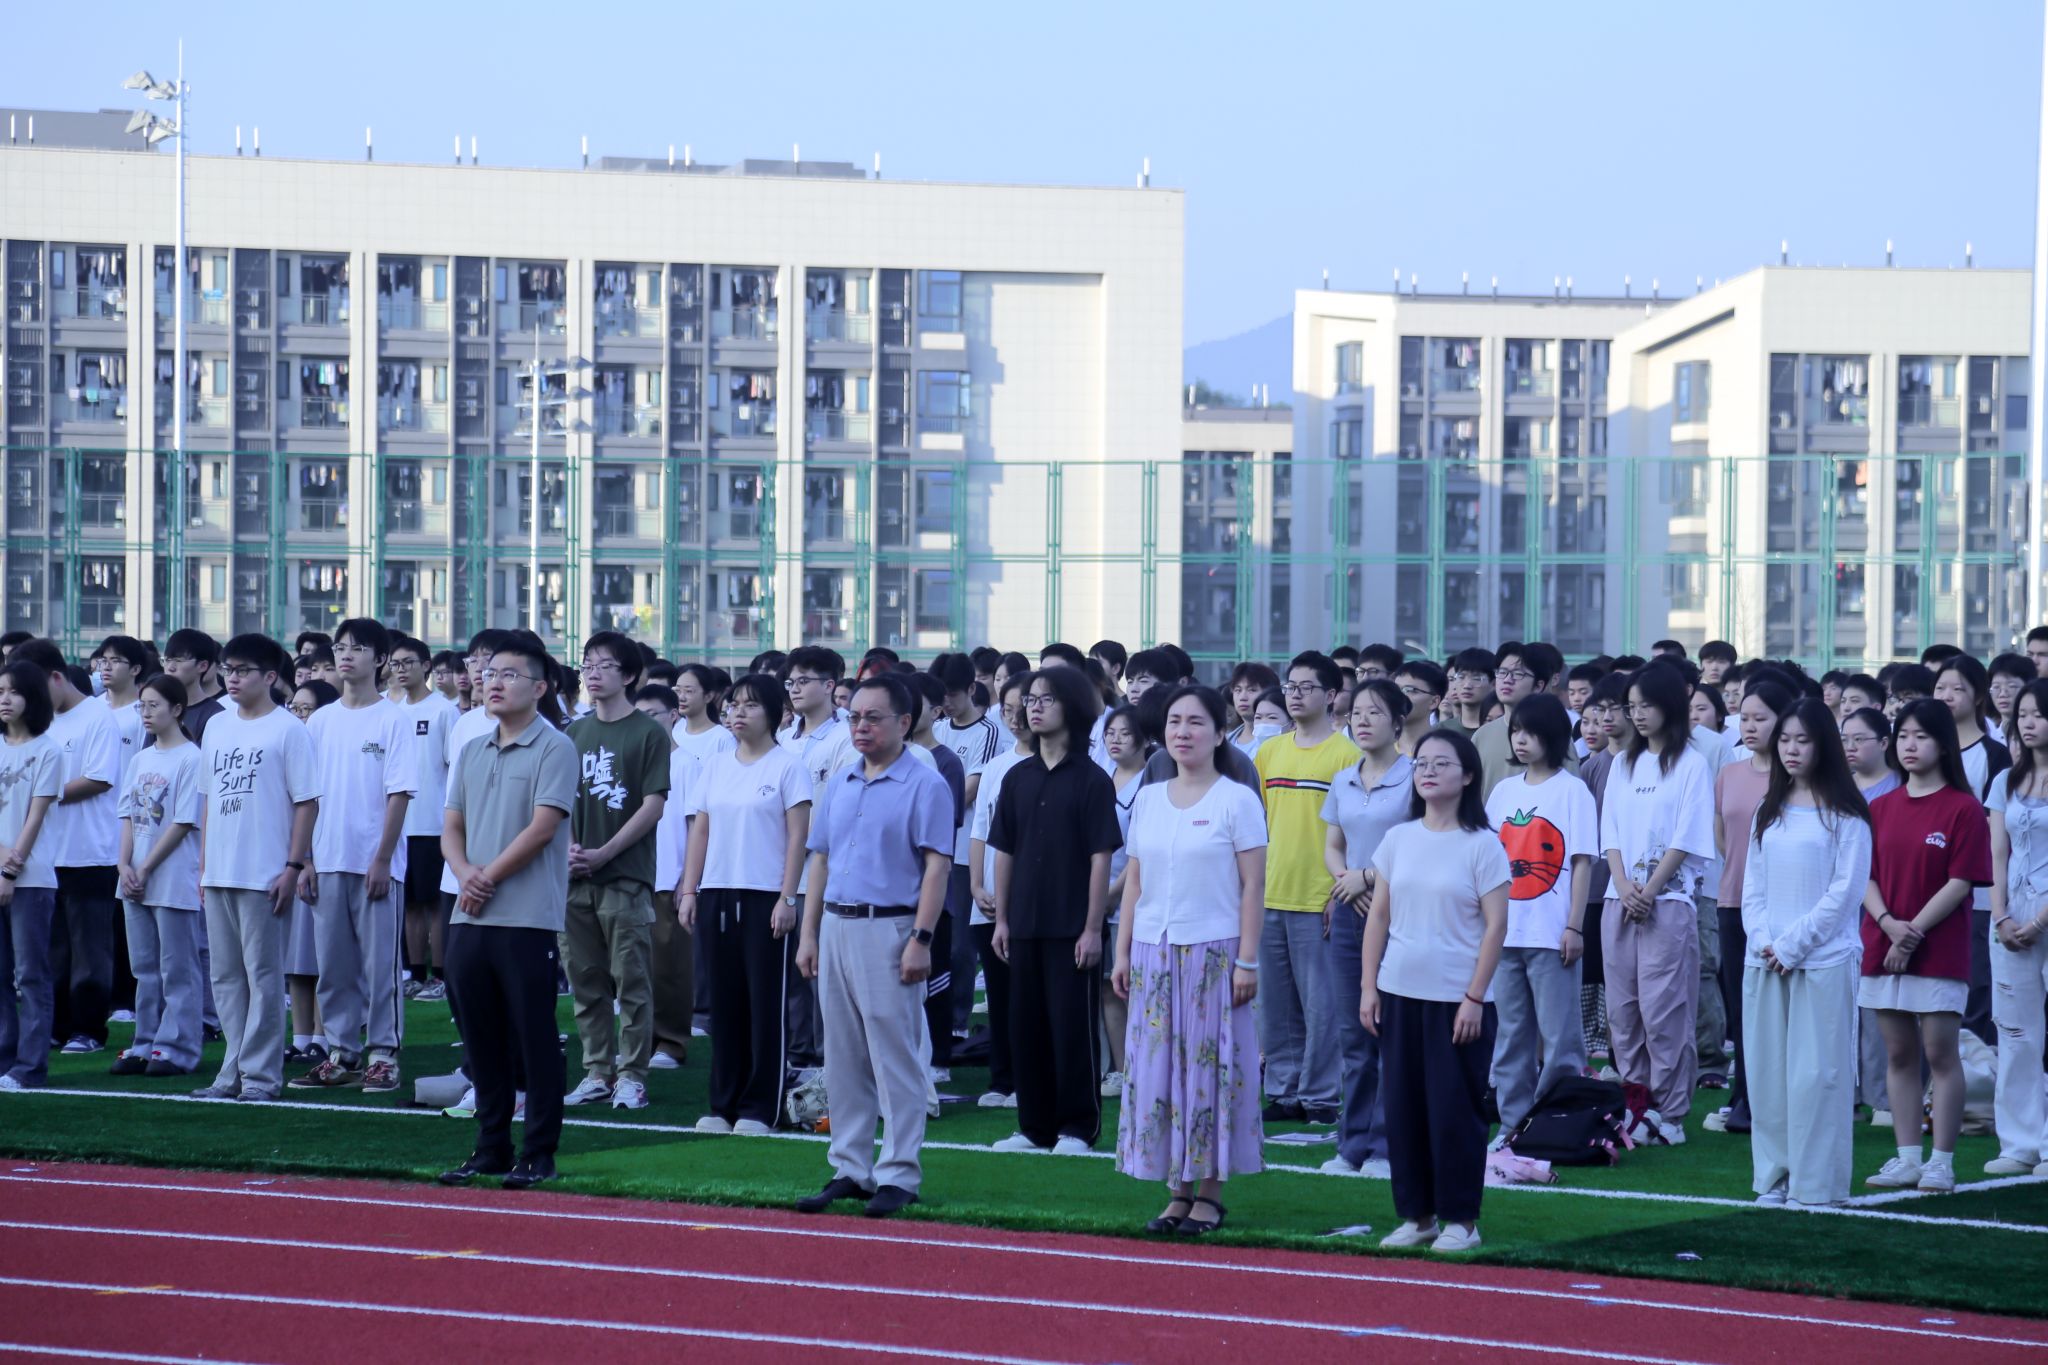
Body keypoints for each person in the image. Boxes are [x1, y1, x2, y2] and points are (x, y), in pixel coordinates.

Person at [792, 673, 954, 1218]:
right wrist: (809, 933)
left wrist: (921, 939)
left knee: (895, 1057)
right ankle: (851, 1168)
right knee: (842, 1057)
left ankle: (899, 1173)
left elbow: (937, 867)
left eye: (873, 718)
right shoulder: (841, 780)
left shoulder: (926, 784)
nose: (860, 726)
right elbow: (820, 858)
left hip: (891, 928)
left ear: (904, 722)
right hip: (836, 926)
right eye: (854, 717)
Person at [1112, 685, 1267, 1235]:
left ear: (1220, 733)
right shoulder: (1150, 798)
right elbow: (1135, 880)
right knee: (1159, 1072)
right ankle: (1175, 1191)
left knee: (1209, 1071)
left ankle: (1209, 1194)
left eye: (1196, 722)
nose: (1183, 731)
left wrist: (1247, 961)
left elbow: (1253, 887)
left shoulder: (1237, 801)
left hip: (1215, 953)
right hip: (1153, 951)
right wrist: (1123, 950)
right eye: (1175, 721)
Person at [436, 634, 579, 1191]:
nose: (493, 682)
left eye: (510, 675)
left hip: (525, 916)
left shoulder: (554, 747)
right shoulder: (473, 748)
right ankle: (490, 1145)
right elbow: (451, 826)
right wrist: (464, 873)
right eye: (490, 672)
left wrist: (486, 876)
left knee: (533, 1037)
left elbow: (543, 828)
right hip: (470, 913)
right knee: (480, 1036)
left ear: (540, 688)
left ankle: (538, 1152)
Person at [1361, 728, 1511, 1254]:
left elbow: (1496, 926)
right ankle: (1417, 1216)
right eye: (1421, 762)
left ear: (1467, 775)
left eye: (1441, 763)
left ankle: (1461, 1221)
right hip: (1399, 991)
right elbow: (1379, 916)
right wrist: (1369, 987)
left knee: (1454, 1111)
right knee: (1404, 1110)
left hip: (1458, 999)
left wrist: (1474, 997)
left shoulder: (1483, 844)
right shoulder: (1399, 839)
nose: (1427, 771)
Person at [1740, 697, 1872, 1208]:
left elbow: (1845, 893)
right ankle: (1775, 1177)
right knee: (1769, 1077)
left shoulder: (1846, 814)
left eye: (1803, 740)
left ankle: (1817, 1185)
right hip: (1766, 959)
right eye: (1786, 740)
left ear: (1824, 746)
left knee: (1817, 1077)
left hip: (1823, 960)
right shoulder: (1768, 809)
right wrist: (1764, 940)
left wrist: (1793, 944)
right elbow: (1752, 886)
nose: (1791, 750)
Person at [990, 666, 1122, 1153]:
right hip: (1023, 923)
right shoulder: (1016, 778)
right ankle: (1034, 1127)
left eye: (1046, 699)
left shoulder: (1092, 779)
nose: (1034, 707)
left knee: (1072, 1029)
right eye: (1030, 699)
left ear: (1073, 708)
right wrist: (1001, 920)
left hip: (1072, 926)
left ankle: (1078, 1126)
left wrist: (1091, 928)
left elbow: (1100, 858)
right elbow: (1004, 851)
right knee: (1026, 1028)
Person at [1861, 698, 1991, 1194]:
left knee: (1940, 1053)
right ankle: (1907, 1157)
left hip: (1939, 948)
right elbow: (1864, 876)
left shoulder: (1963, 807)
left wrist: (1910, 932)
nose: (1909, 745)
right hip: (1883, 942)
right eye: (1903, 736)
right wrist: (1889, 925)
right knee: (1898, 1054)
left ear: (1944, 744)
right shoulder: (1880, 807)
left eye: (1921, 736)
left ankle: (1942, 1161)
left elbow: (1962, 881)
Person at [679, 673, 811, 1134]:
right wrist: (689, 890)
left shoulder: (788, 767)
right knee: (724, 1005)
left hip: (765, 898)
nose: (738, 712)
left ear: (774, 714)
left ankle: (760, 1107)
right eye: (734, 704)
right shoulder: (716, 766)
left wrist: (787, 897)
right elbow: (700, 830)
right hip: (718, 893)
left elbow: (798, 838)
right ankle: (723, 1105)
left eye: (750, 705)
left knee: (765, 1006)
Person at [291, 618, 416, 1094]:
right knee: (333, 967)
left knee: (380, 966)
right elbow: (306, 796)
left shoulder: (393, 719)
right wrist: (304, 860)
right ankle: (342, 1053)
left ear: (380, 659)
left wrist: (382, 859)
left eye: (358, 648)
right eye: (340, 647)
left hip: (373, 864)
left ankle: (383, 1054)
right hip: (326, 860)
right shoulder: (320, 721)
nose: (346, 655)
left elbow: (399, 794)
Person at [195, 635, 319, 1103]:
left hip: (265, 872)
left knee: (263, 978)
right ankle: (232, 1070)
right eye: (228, 669)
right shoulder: (217, 725)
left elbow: (307, 803)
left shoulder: (288, 730)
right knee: (226, 978)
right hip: (219, 871)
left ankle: (262, 1077)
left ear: (270, 677)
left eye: (243, 670)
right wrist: (204, 866)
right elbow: (208, 800)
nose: (232, 678)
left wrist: (293, 866)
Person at [1600, 663, 1716, 1144]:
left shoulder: (1691, 763)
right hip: (1619, 898)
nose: (1638, 715)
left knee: (1664, 1010)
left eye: (1646, 705)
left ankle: (1670, 1113)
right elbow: (1610, 831)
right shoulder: (1623, 764)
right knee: (1624, 1012)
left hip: (1667, 902)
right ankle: (1636, 1104)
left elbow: (1687, 835)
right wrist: (1624, 884)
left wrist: (1649, 890)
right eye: (1632, 706)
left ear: (1670, 705)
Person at [561, 631, 671, 1112]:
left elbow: (653, 804)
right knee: (585, 980)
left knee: (631, 981)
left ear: (627, 675)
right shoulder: (573, 733)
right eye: (587, 665)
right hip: (574, 878)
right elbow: (560, 799)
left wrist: (604, 852)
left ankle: (632, 1075)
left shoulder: (648, 733)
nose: (592, 673)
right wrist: (571, 848)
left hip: (625, 876)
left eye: (603, 665)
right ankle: (597, 1070)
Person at [1252, 652, 1360, 1125]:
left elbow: (1354, 832)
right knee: (1275, 1006)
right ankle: (1283, 1091)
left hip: (1321, 897)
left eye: (1306, 687)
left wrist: (1339, 892)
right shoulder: (1269, 752)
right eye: (1289, 687)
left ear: (1331, 695)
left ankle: (1320, 1096)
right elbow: (1257, 823)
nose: (1295, 695)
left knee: (1321, 1007)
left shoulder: (1347, 756)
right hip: (1270, 892)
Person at [1482, 693, 1597, 1138]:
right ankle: (1512, 1126)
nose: (1521, 740)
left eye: (1530, 732)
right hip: (1505, 933)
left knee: (1560, 1037)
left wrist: (1573, 926)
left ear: (1553, 736)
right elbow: (1489, 860)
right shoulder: (1503, 792)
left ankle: (1557, 1125)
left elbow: (1582, 862)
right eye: (1516, 732)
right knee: (1511, 1035)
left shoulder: (1573, 790)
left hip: (1552, 934)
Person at [4, 641, 125, 1060]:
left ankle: (88, 1028)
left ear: (56, 677)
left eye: (31, 687)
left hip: (89, 850)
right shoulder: (38, 723)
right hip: (43, 856)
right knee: (50, 950)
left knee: (90, 949)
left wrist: (40, 795)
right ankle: (55, 1027)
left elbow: (99, 779)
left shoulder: (98, 717)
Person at [1318, 680, 1414, 1177]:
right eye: (1356, 712)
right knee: (1354, 1036)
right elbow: (1333, 846)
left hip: (1400, 915)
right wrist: (1348, 881)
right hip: (1350, 913)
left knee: (1390, 1034)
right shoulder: (1343, 780)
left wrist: (1370, 877)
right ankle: (1351, 1145)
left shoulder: (1416, 776)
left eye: (1375, 712)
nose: (1362, 720)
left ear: (1397, 722)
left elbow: (1422, 844)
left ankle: (1385, 1146)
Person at [1704, 676, 1795, 1135]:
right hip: (1733, 900)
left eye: (1762, 718)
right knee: (1742, 1006)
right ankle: (1744, 1097)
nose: (1751, 726)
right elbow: (1722, 835)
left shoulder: (1794, 777)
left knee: (1781, 1007)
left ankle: (1779, 1099)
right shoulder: (1729, 773)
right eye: (1745, 718)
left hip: (1784, 907)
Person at [110, 675, 204, 1077]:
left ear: (177, 709)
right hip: (134, 877)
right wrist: (123, 865)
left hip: (172, 877)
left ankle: (178, 1047)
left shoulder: (191, 758)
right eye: (142, 706)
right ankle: (144, 1042)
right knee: (144, 968)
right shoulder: (140, 758)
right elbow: (127, 816)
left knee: (177, 967)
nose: (146, 713)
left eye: (154, 705)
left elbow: (183, 822)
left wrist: (145, 867)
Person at [1984, 678, 2048, 1177]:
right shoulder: (2004, 780)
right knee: (2015, 1031)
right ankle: (2019, 1143)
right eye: (2022, 714)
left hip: (2043, 914)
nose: (2027, 723)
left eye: (2038, 714)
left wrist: (2039, 920)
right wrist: (2001, 914)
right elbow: (1996, 854)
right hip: (2009, 915)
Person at [1933, 654, 2008, 1050]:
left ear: (1979, 696)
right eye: (1940, 687)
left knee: (1975, 986)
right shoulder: (1923, 748)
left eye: (1957, 689)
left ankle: (1975, 1071)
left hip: (1975, 893)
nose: (1946, 695)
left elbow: (1998, 828)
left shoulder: (1994, 755)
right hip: (1924, 887)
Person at [968, 672, 1032, 1107]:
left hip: (1031, 900)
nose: (1014, 718)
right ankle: (1002, 1078)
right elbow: (980, 830)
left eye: (1021, 708)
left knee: (1029, 995)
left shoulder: (1065, 765)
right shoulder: (997, 766)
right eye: (1006, 709)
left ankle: (1029, 1078)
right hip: (990, 898)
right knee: (999, 993)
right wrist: (976, 884)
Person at [0, 661, 61, 1091]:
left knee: (31, 974)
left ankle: (30, 1066)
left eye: (14, 691)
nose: (5, 699)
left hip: (31, 878)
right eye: (0, 691)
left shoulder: (48, 750)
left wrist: (9, 868)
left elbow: (35, 817)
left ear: (33, 697)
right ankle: (5, 1059)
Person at [389, 634, 459, 1005]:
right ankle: (415, 974)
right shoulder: (390, 709)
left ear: (426, 667)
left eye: (408, 663)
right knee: (410, 905)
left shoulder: (443, 711)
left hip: (432, 823)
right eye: (395, 664)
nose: (401, 670)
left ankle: (440, 975)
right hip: (398, 825)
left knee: (434, 904)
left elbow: (453, 766)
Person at [632, 685, 695, 1072]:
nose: (644, 721)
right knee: (633, 968)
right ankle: (640, 1042)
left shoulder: (687, 763)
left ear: (674, 716)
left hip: (669, 877)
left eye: (652, 714)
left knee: (670, 967)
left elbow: (696, 825)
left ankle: (671, 1043)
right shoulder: (632, 761)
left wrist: (688, 880)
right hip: (633, 875)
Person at [1099, 703, 1150, 1094]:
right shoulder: (1102, 776)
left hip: (1130, 897)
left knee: (1132, 985)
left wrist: (1114, 894)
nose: (1115, 740)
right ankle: (1120, 1068)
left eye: (1125, 733)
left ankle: (1144, 1066)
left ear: (1144, 739)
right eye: (1110, 733)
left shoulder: (1150, 782)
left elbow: (1141, 851)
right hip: (1097, 898)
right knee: (1107, 987)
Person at [1475, 642, 1571, 797]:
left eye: (1518, 674)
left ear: (1538, 686)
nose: (1507, 680)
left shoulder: (1554, 733)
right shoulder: (1482, 735)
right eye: (1502, 672)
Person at [160, 629, 227, 743]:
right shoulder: (159, 708)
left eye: (178, 660)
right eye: (167, 660)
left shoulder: (215, 715)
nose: (170, 667)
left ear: (202, 666)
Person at [1391, 661, 1446, 756]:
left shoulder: (1446, 751)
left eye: (1410, 690)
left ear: (1434, 702)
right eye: (1395, 689)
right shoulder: (1378, 748)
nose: (1399, 696)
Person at [1226, 663, 1280, 755]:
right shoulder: (1224, 742)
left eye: (1252, 690)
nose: (1242, 697)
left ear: (1270, 693)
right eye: (1238, 690)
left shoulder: (1277, 740)